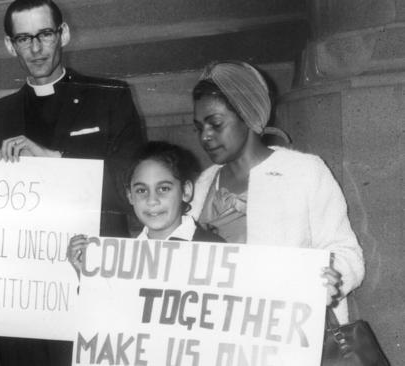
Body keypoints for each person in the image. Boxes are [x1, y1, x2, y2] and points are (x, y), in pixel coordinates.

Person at [189, 60, 365, 323]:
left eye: (215, 123)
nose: (205, 136)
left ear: (247, 115)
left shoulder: (304, 172)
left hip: (284, 336)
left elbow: (346, 252)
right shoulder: (203, 184)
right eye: (199, 127)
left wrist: (331, 278)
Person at [0, 0, 145, 239]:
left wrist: (56, 161)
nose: (36, 49)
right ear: (10, 45)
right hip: (26, 263)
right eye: (24, 38)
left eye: (45, 34)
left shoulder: (110, 97)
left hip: (95, 259)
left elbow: (132, 192)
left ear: (63, 34)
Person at [67, 141, 225, 276]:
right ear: (130, 196)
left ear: (186, 191)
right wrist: (86, 277)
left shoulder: (215, 250)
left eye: (163, 188)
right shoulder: (121, 259)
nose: (152, 200)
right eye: (141, 190)